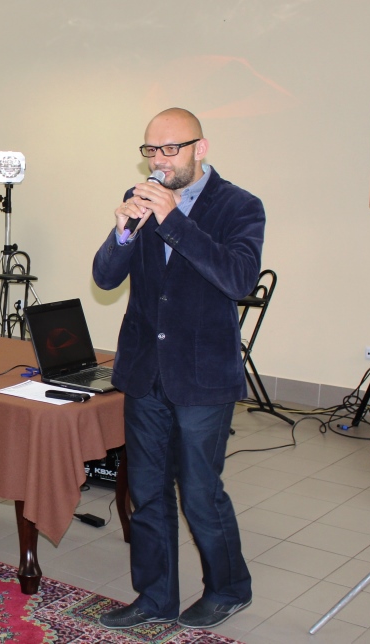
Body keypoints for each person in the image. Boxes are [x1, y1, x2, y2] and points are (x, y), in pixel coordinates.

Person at [92, 107, 263, 630]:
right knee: (146, 493)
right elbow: (105, 277)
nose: (160, 160)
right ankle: (155, 597)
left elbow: (238, 280)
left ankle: (229, 588)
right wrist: (123, 233)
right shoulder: (140, 197)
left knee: (200, 492)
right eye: (152, 150)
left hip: (202, 375)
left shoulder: (239, 206)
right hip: (145, 371)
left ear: (200, 148)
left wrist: (173, 220)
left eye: (171, 149)